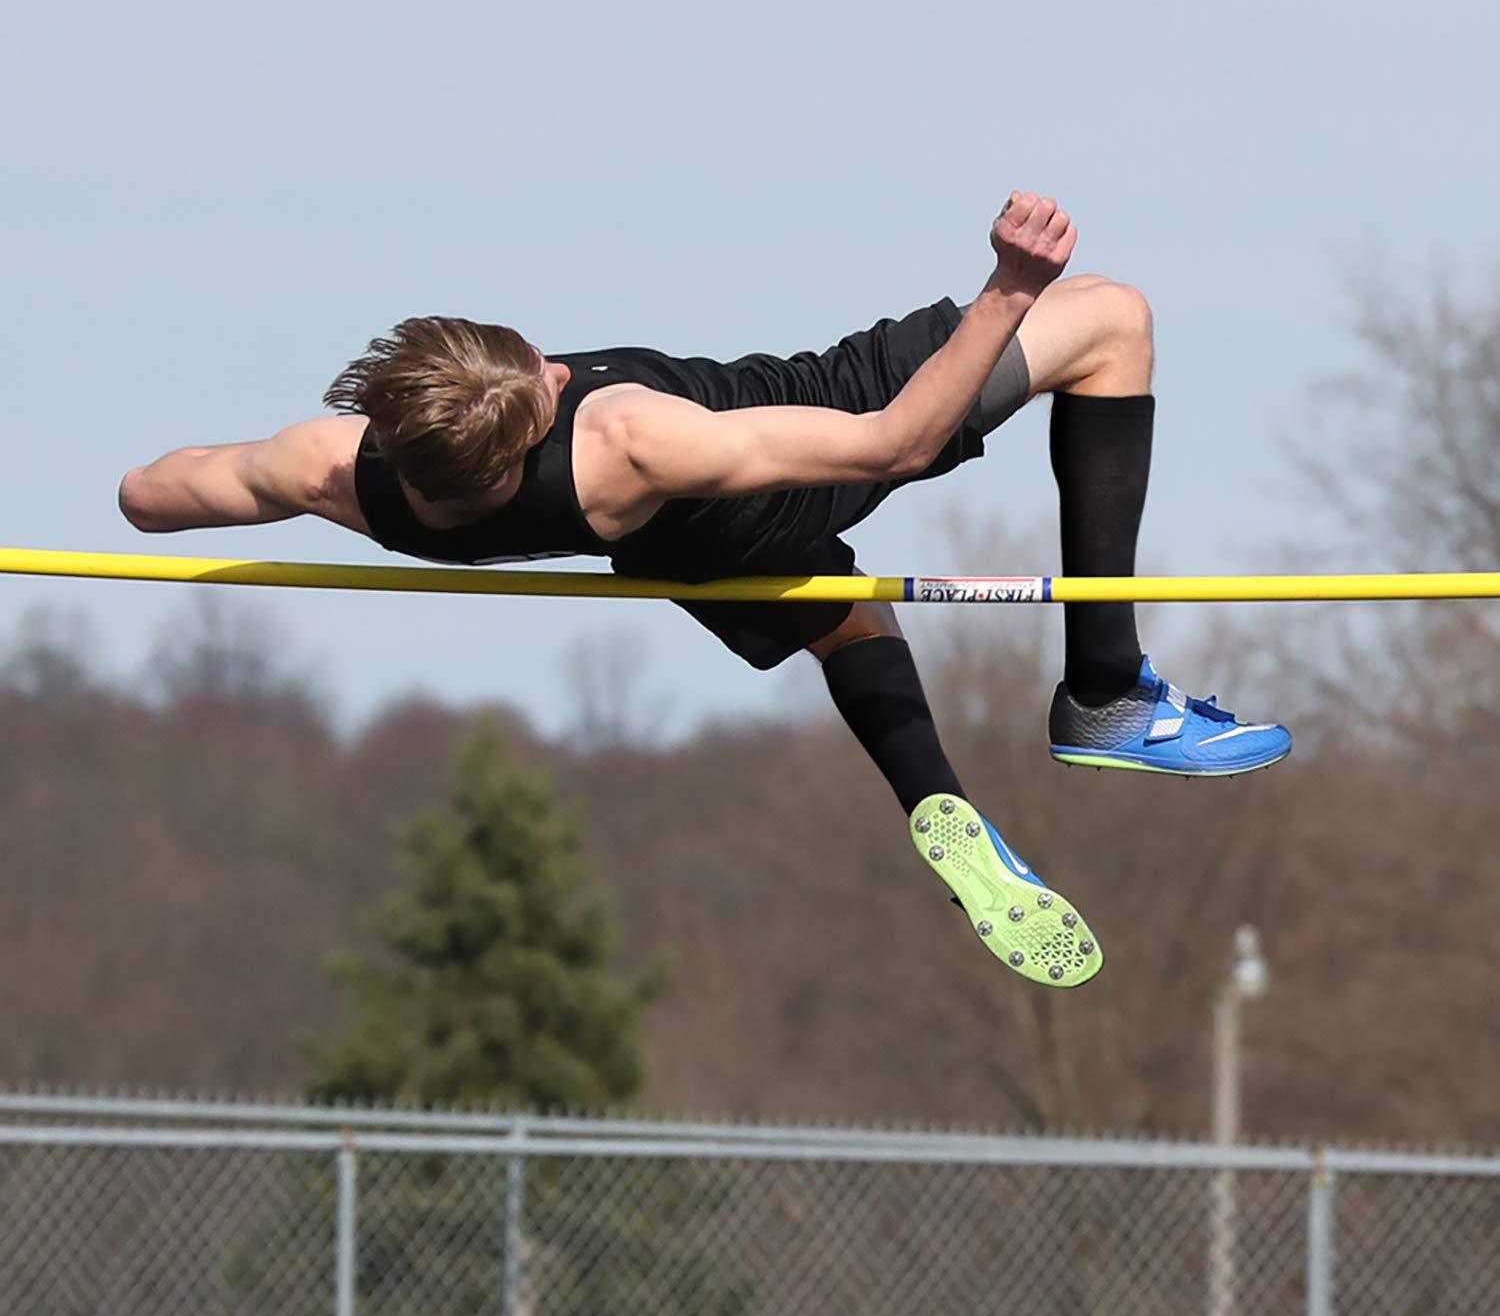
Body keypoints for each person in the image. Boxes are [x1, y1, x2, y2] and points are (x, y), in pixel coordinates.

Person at [119, 193, 1289, 988]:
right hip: (764, 465)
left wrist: (225, 475)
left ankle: (938, 801)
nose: (559, 366)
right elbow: (892, 440)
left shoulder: (339, 476)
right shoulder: (628, 436)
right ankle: (1105, 693)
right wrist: (1008, 290)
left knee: (846, 622)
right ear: (535, 425)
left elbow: (149, 494)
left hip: (677, 557)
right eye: (545, 379)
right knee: (1110, 321)